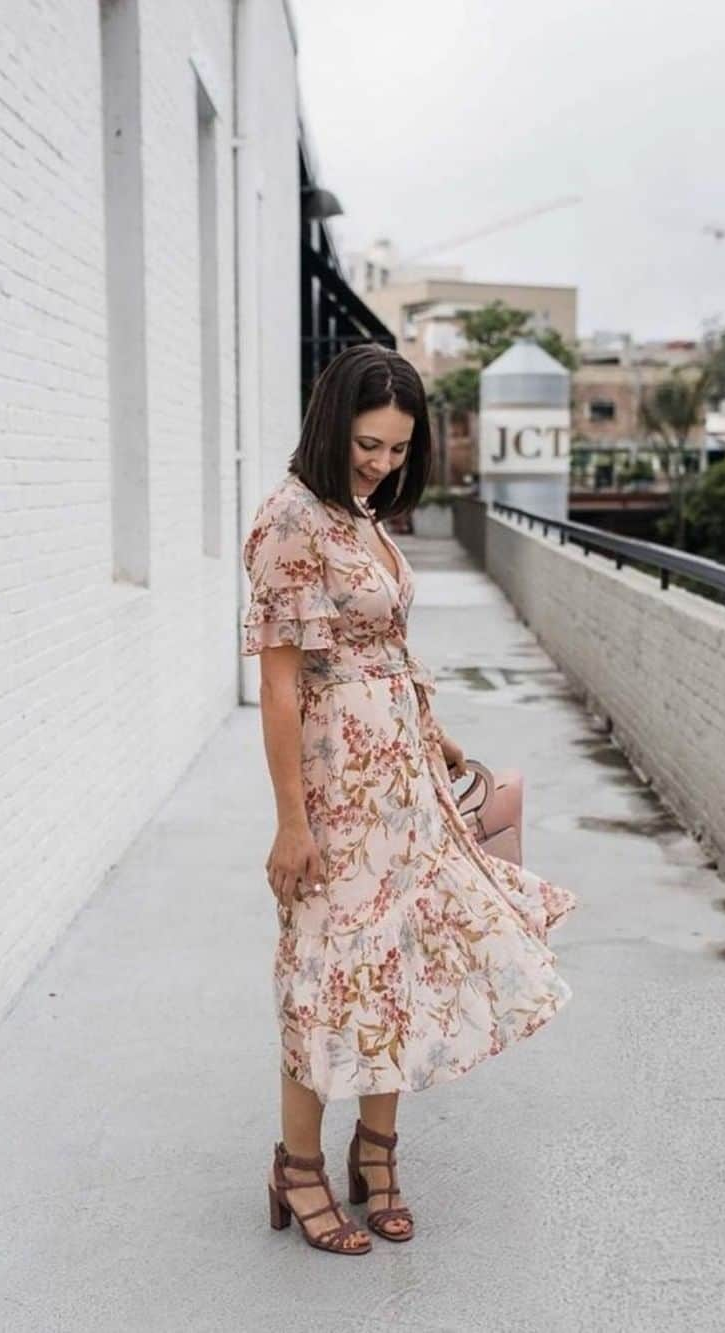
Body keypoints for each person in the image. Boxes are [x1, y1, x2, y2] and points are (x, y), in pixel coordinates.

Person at [241, 343, 577, 1255]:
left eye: (397, 449)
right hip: (333, 797)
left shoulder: (359, 516)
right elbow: (279, 688)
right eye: (367, 445)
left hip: (404, 787)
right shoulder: (291, 521)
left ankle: (377, 1152)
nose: (382, 464)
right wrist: (290, 820)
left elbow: (386, 651)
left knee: (397, 967)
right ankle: (298, 1166)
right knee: (325, 970)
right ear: (330, 426)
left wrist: (436, 741)